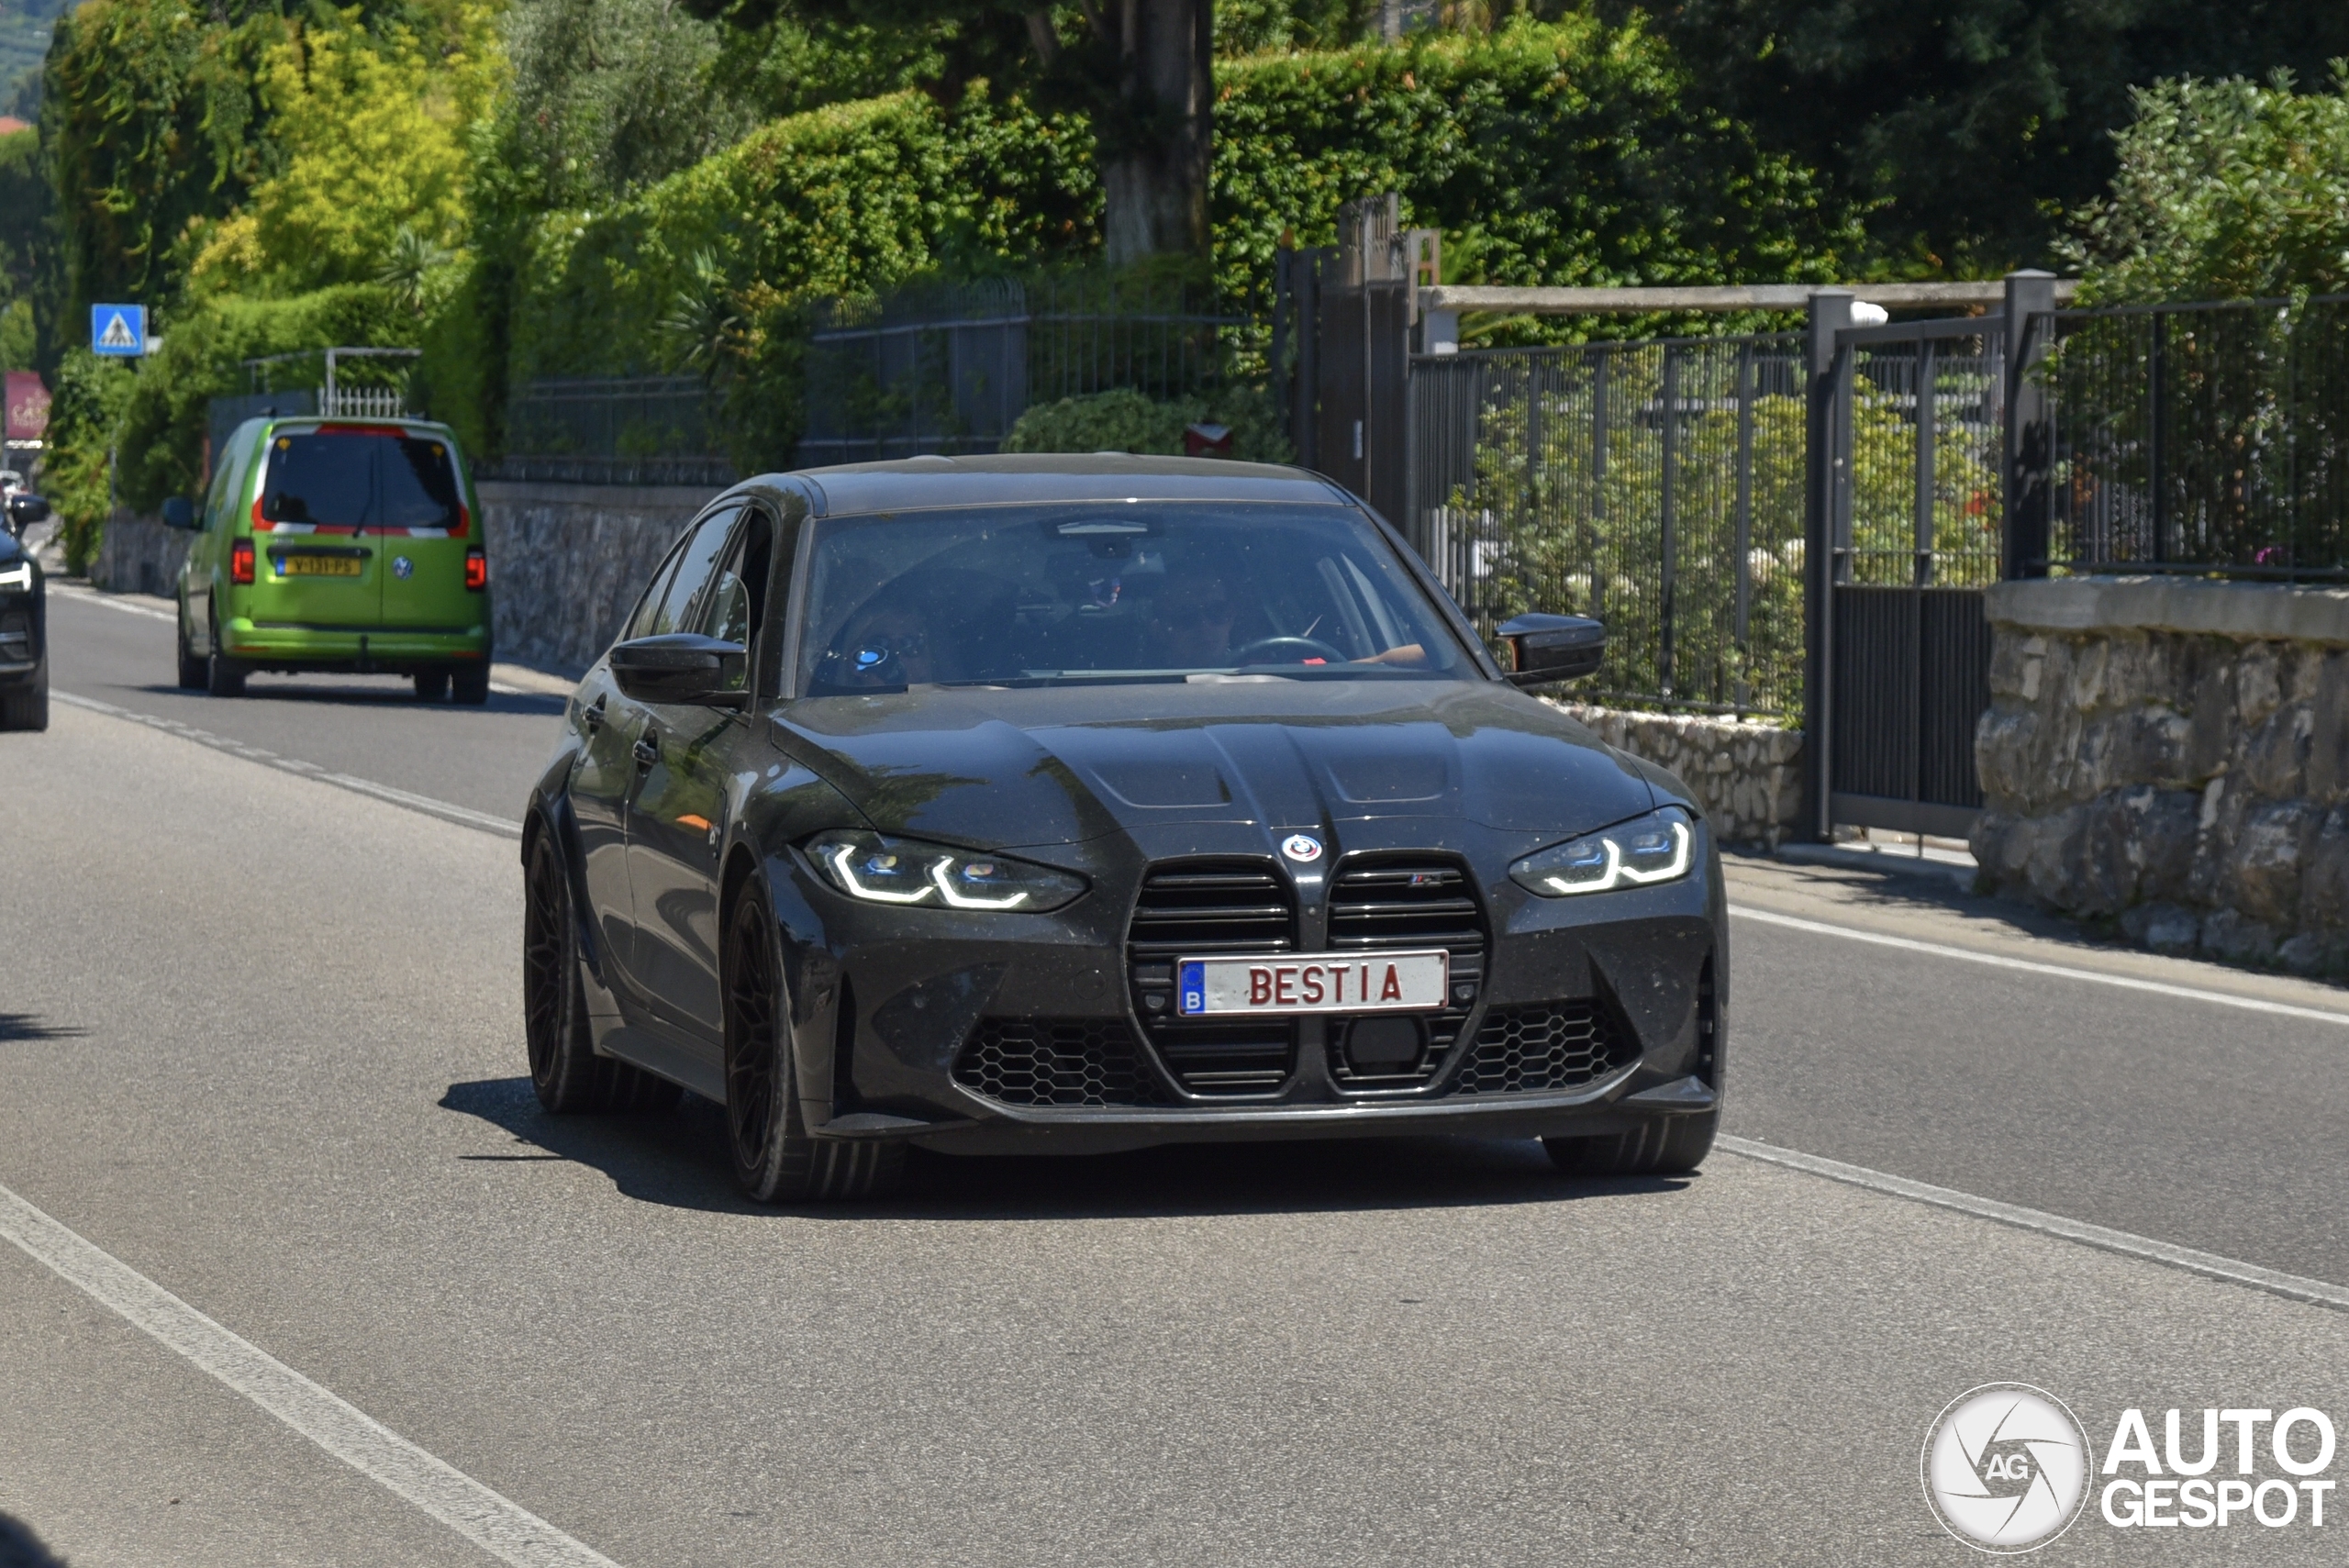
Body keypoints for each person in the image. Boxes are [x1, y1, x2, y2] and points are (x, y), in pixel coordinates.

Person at [1144, 573, 1238, 669]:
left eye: (1217, 611)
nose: (1205, 626)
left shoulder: (1251, 672)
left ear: (1231, 617)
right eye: (1186, 616)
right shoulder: (1141, 679)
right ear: (1159, 630)